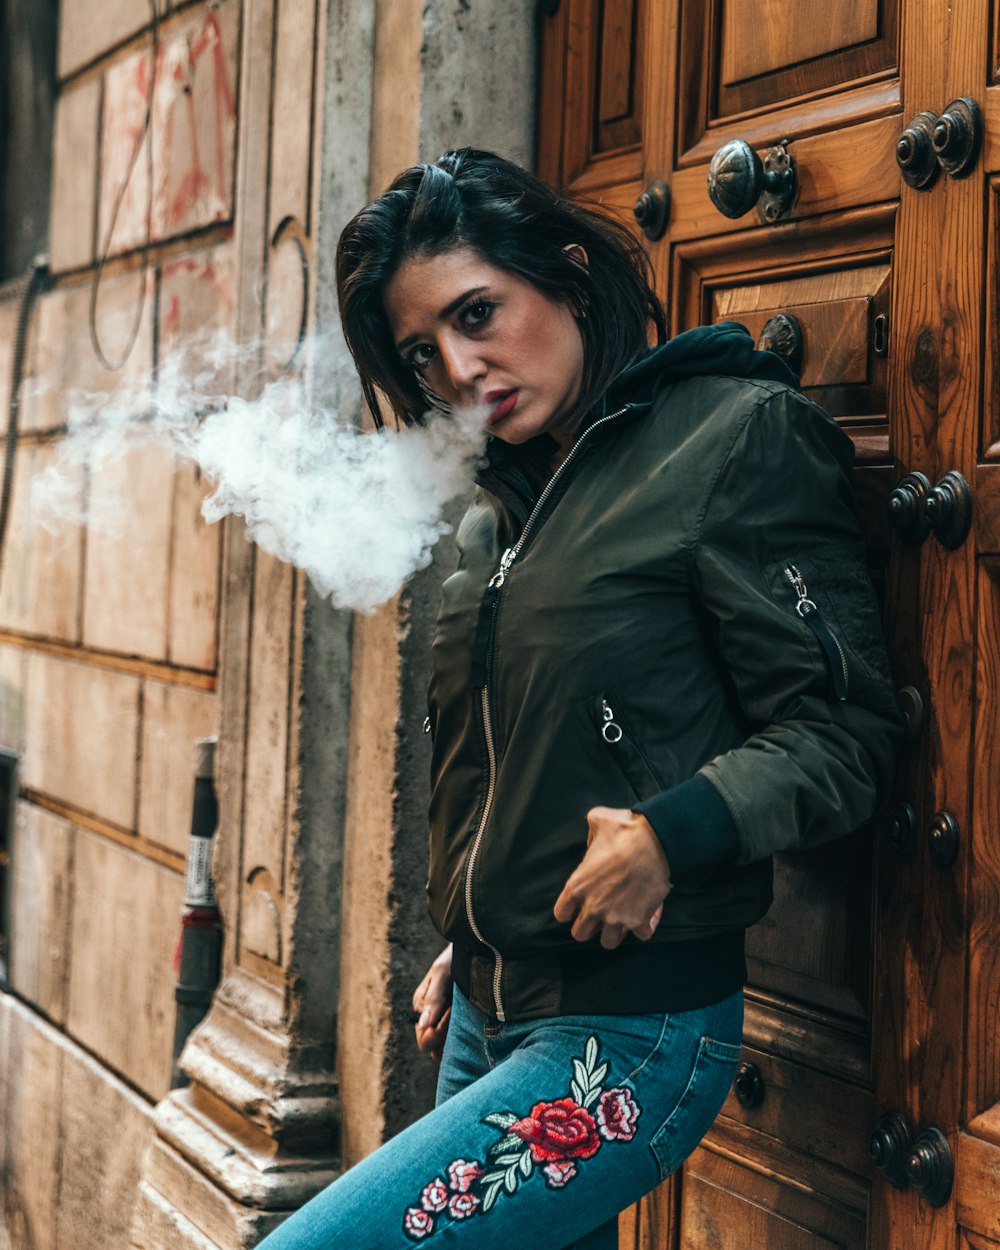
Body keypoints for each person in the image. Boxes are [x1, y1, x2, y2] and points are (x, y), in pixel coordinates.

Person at [257, 149, 903, 1249]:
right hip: (482, 1015)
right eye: (423, 351)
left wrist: (667, 832)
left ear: (564, 272)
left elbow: (845, 731)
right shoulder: (492, 517)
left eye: (479, 312)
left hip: (628, 1033)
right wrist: (486, 914)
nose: (459, 367)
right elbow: (529, 759)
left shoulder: (731, 439)